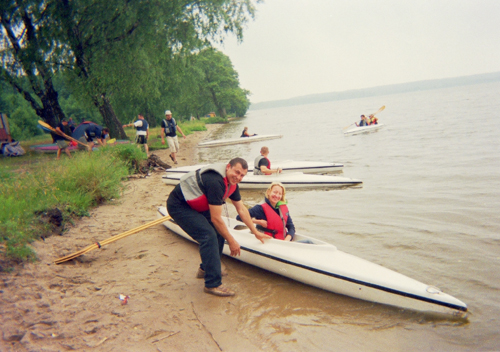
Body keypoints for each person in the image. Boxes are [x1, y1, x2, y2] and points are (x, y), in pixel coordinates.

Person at [166, 158, 271, 297]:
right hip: (180, 206)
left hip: (197, 205)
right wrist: (232, 241)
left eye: (242, 175)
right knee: (208, 236)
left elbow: (241, 209)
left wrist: (255, 231)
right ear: (228, 167)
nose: (238, 177)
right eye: (236, 172)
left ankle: (206, 269)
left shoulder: (232, 183)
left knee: (219, 233)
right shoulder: (215, 182)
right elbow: (216, 218)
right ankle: (212, 284)